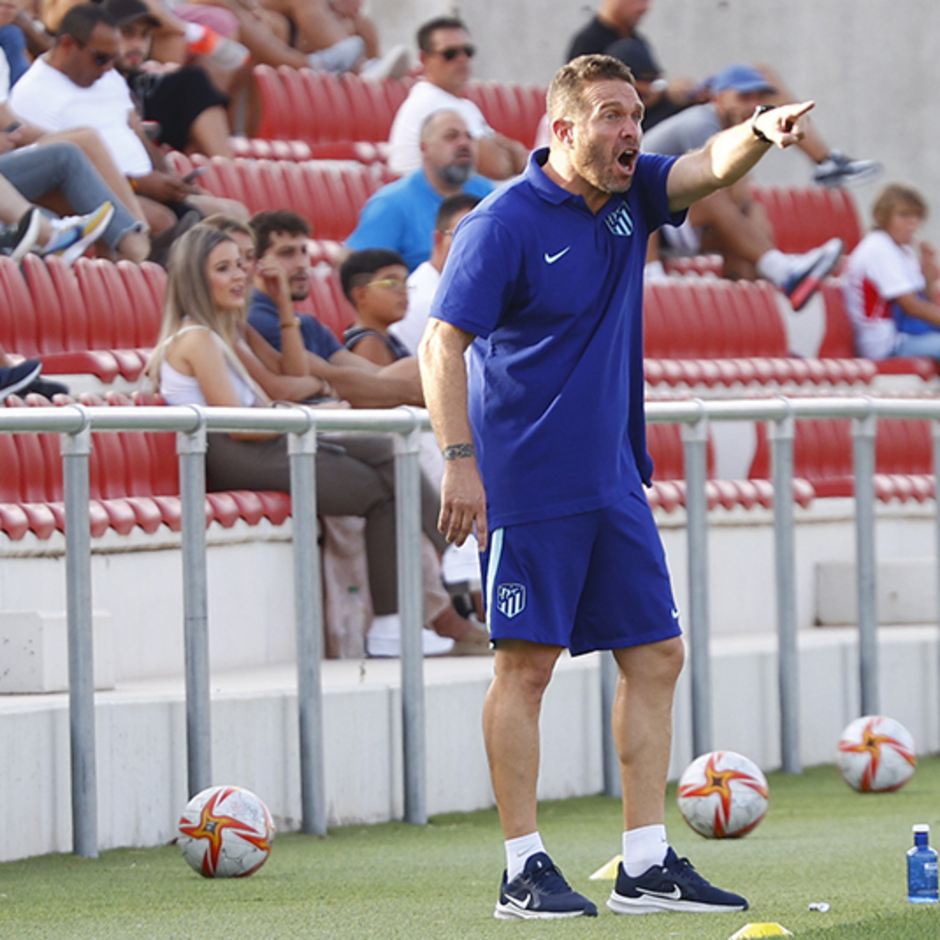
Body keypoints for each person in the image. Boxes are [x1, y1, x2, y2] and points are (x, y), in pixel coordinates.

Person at [417, 53, 820, 919]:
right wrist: (460, 460)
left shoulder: (632, 196)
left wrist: (756, 131)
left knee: (656, 655)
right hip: (528, 486)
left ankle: (645, 861)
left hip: (612, 479)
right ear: (562, 129)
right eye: (609, 115)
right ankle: (521, 867)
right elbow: (440, 344)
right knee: (527, 671)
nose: (629, 129)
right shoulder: (504, 223)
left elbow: (706, 170)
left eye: (634, 113)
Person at [146, 223, 458, 656]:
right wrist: (303, 420)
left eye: (239, 265)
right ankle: (403, 608)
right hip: (233, 451)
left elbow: (288, 380)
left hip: (262, 439)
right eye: (223, 269)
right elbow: (238, 425)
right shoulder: (196, 337)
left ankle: (430, 580)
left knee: (388, 450)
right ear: (196, 279)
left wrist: (282, 311)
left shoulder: (224, 330)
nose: (239, 276)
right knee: (378, 491)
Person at [569, 1, 879, 189]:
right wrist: (664, 91)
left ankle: (825, 161)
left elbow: (648, 89)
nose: (646, 8)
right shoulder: (588, 42)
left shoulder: (637, 40)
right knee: (714, 180)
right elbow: (596, 104)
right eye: (640, 1)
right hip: (637, 133)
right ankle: (823, 162)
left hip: (669, 114)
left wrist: (677, 92)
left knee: (761, 73)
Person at [10, 4, 247, 242]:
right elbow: (58, 175)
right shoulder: (32, 94)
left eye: (112, 58)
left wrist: (170, 178)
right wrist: (138, 184)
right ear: (67, 45)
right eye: (101, 58)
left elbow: (139, 136)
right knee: (163, 221)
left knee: (235, 214)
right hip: (98, 197)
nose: (107, 67)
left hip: (147, 188)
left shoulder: (109, 77)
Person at [642, 63, 844, 307]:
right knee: (717, 200)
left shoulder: (731, 133)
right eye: (744, 97)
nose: (753, 105)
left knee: (751, 219)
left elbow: (739, 196)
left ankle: (753, 305)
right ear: (718, 98)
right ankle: (782, 272)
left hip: (669, 221)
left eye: (759, 97)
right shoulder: (700, 123)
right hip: (639, 224)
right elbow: (716, 186)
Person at [246, 209, 425, 408]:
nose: (302, 264)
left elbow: (367, 371)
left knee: (412, 369)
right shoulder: (256, 317)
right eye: (287, 254)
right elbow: (334, 380)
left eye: (304, 251)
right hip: (311, 430)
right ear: (256, 264)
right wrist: (425, 394)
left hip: (328, 422)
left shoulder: (308, 323)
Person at [345, 109, 493, 272]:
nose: (464, 143)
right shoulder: (392, 205)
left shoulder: (488, 194)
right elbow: (356, 269)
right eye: (451, 136)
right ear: (424, 148)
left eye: (469, 136)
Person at [387, 16, 528, 181]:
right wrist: (510, 152)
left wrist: (511, 152)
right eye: (450, 54)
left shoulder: (462, 105)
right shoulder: (431, 102)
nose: (462, 59)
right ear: (425, 59)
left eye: (467, 52)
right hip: (431, 203)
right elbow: (497, 167)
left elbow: (521, 159)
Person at [105, 0, 234, 158]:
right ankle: (226, 168)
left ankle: (225, 169)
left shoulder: (139, 76)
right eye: (128, 33)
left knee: (192, 83)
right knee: (192, 82)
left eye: (145, 35)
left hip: (140, 99)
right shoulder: (93, 77)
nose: (137, 45)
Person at [842, 182, 940, 362]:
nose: (912, 223)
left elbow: (926, 302)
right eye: (904, 215)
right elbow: (911, 306)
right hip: (885, 343)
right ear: (883, 216)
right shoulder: (878, 247)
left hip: (908, 334)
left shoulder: (905, 252)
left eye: (917, 217)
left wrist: (929, 275)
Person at [391, 193, 480, 355]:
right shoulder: (429, 302)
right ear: (438, 240)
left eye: (483, 238)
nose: (475, 246)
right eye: (463, 236)